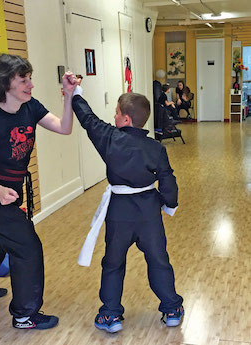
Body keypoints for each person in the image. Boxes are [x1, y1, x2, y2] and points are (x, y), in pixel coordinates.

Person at [0, 53, 77, 330]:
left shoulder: (30, 107)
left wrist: (68, 96)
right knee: (27, 246)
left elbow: (64, 128)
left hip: (11, 189)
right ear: (5, 84)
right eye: (23, 80)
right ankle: (25, 314)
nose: (30, 85)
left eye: (30, 78)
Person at [71, 85, 184, 333]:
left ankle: (110, 316)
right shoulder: (156, 147)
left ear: (125, 118)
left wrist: (76, 92)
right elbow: (167, 179)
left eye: (116, 112)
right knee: (158, 260)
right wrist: (170, 204)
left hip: (119, 213)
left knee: (113, 263)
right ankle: (172, 309)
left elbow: (87, 120)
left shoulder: (110, 138)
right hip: (148, 213)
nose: (113, 117)